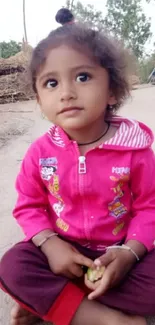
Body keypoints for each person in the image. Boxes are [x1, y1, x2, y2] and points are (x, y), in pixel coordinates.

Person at [0, 7, 155, 325]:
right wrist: (50, 244)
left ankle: (55, 304)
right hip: (63, 252)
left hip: (120, 253)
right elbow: (29, 207)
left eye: (83, 77)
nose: (67, 92)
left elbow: (150, 208)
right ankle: (108, 319)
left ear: (112, 90)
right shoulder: (40, 154)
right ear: (40, 100)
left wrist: (130, 253)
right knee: (14, 265)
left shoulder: (136, 151)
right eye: (51, 83)